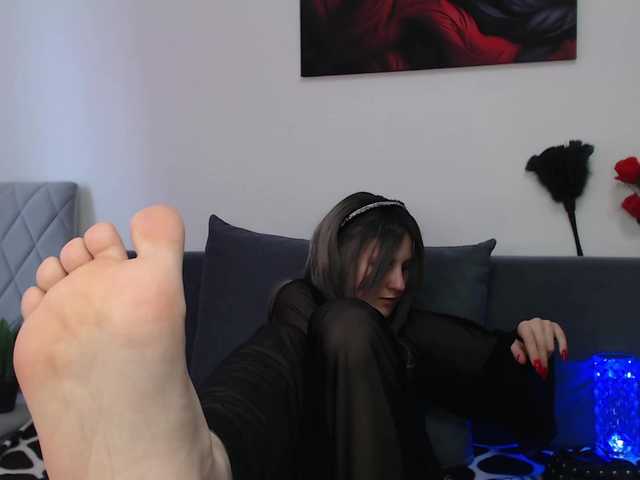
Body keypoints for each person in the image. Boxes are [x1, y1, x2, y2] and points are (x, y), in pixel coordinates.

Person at [15, 193, 567, 480]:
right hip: (278, 458)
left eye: (407, 268)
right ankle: (206, 454)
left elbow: (517, 398)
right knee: (312, 317)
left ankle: (211, 457)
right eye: (382, 263)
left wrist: (527, 342)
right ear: (340, 254)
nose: (399, 283)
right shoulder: (300, 305)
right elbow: (267, 370)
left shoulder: (410, 328)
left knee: (348, 324)